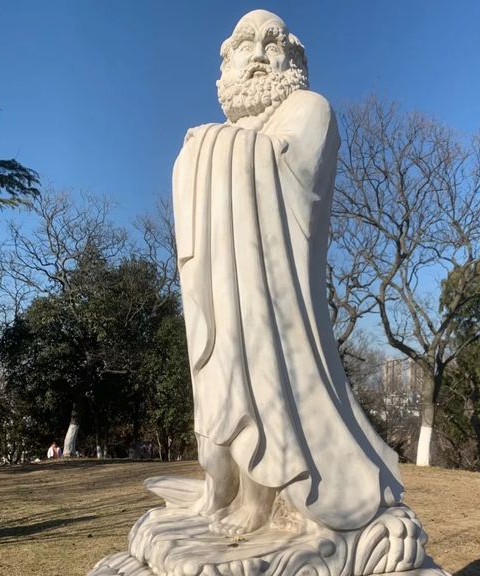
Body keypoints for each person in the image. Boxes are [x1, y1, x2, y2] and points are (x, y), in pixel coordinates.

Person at [172, 9, 403, 536]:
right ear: (225, 64)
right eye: (243, 45)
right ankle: (223, 488)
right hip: (228, 290)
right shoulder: (227, 131)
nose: (256, 54)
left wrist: (213, 145)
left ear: (293, 57)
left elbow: (291, 179)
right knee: (225, 374)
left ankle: (267, 497)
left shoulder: (308, 108)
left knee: (267, 374)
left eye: (270, 43)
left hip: (275, 298)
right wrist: (208, 147)